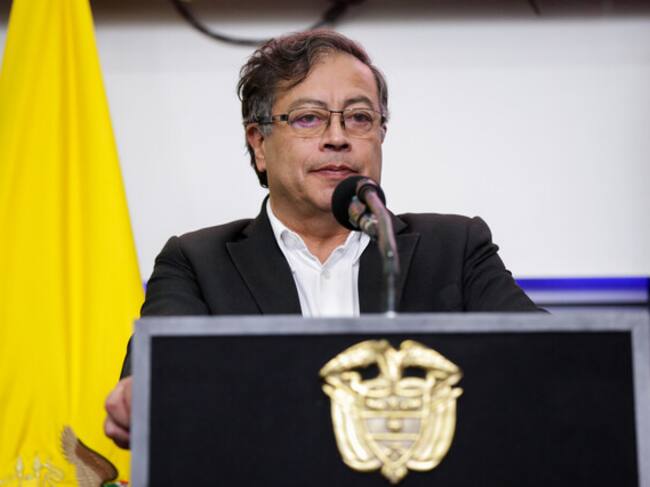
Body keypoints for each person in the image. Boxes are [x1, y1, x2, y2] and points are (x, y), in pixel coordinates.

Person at [104, 29, 541, 449]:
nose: (337, 138)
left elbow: (548, 358)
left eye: (359, 118)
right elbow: (154, 381)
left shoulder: (455, 248)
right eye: (308, 118)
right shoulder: (196, 264)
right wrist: (138, 398)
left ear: (381, 135)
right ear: (258, 143)